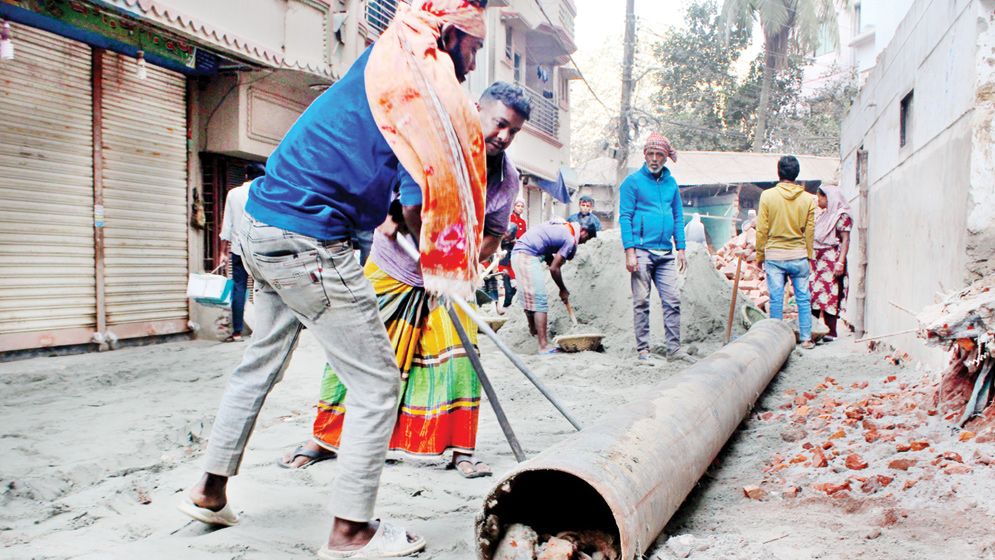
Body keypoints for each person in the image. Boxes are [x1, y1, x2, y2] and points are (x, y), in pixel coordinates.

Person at [177, 2, 489, 558]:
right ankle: (351, 531)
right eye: (475, 48)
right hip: (310, 241)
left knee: (258, 364)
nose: (474, 63)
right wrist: (443, 270)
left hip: (261, 221)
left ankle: (208, 489)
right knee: (376, 385)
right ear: (449, 34)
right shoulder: (423, 97)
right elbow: (421, 209)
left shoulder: (382, 59)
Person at [279, 82, 530, 480]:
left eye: (514, 131)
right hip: (393, 265)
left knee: (459, 361)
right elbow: (391, 197)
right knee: (357, 351)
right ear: (476, 108)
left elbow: (493, 236)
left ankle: (458, 448)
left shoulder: (506, 179)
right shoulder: (434, 145)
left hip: (451, 278)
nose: (504, 136)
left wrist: (458, 264)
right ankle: (326, 438)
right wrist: (387, 213)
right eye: (500, 124)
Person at [618, 132, 695, 362]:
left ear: (665, 158)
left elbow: (678, 216)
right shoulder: (632, 182)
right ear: (644, 155)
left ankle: (674, 350)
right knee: (641, 301)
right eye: (650, 154)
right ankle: (643, 351)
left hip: (666, 253)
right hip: (641, 251)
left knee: (672, 300)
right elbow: (625, 217)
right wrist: (629, 251)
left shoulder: (671, 183)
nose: (654, 159)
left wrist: (680, 247)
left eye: (659, 155)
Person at [756, 155, 816, 349]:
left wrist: (760, 254)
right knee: (803, 299)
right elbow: (810, 231)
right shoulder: (808, 199)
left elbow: (762, 228)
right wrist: (809, 255)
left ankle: (776, 342)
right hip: (798, 255)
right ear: (797, 174)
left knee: (776, 299)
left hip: (774, 256)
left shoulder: (767, 196)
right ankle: (806, 338)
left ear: (778, 172)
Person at [511, 219, 597, 354]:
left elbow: (548, 256)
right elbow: (554, 269)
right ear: (584, 232)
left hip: (517, 255)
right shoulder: (570, 238)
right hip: (527, 256)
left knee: (529, 298)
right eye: (584, 240)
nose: (581, 243)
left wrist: (558, 277)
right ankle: (543, 346)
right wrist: (563, 289)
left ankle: (533, 332)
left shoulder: (561, 227)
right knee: (539, 301)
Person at [218, 162, 266, 342]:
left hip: (239, 249)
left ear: (246, 175)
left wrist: (223, 252)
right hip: (262, 249)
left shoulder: (234, 194)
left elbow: (227, 225)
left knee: (239, 288)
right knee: (265, 288)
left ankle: (237, 332)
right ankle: (263, 330)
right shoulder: (264, 194)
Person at [810, 185, 852, 341]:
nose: (818, 200)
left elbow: (846, 240)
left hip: (831, 260)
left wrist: (840, 262)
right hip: (818, 261)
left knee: (830, 294)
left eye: (820, 197)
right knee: (814, 294)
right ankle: (813, 330)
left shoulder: (842, 216)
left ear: (828, 197)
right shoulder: (824, 216)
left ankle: (831, 331)